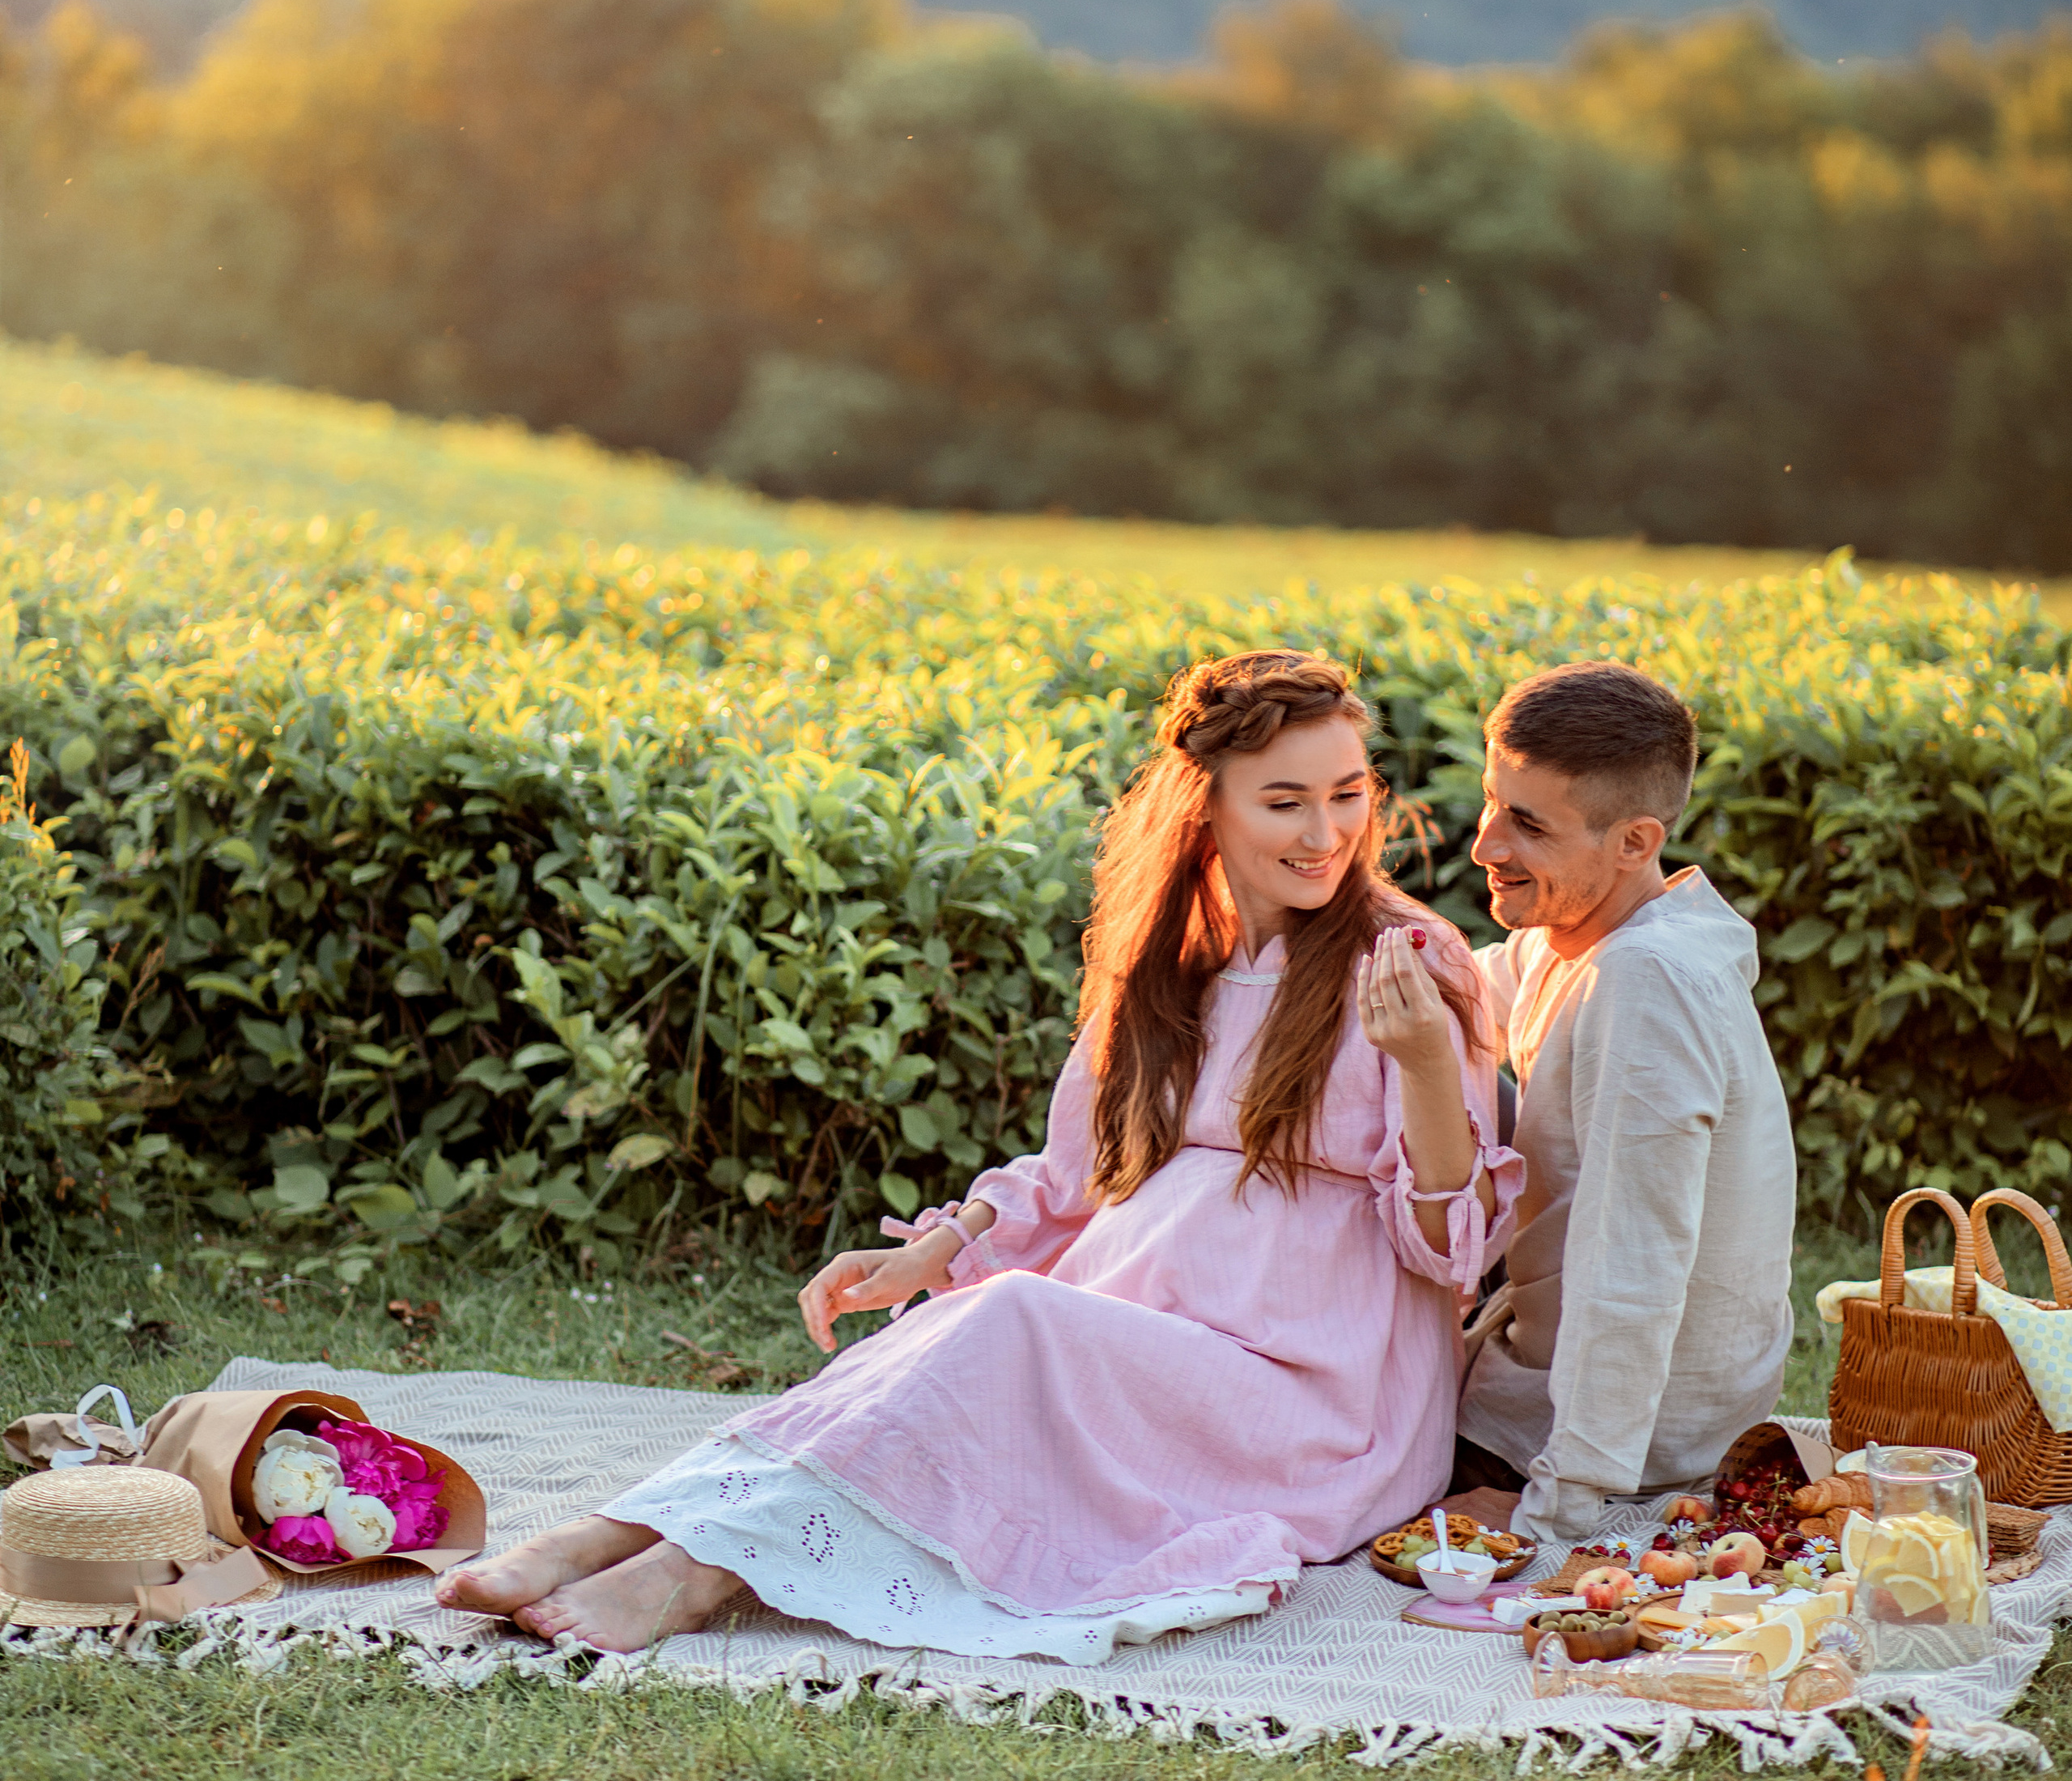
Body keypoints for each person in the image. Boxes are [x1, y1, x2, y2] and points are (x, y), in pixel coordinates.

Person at [439, 648, 1521, 1655]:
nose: (1326, 832)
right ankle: (618, 1531)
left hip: (1311, 1402)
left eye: (1348, 794)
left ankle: (693, 1575)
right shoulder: (1169, 968)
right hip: (1145, 1334)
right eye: (1285, 802)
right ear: (1211, 814)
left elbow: (1445, 1252)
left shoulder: (1410, 963)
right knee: (958, 1325)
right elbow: (1076, 1173)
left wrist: (1426, 1065)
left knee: (1009, 1321)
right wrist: (936, 1250)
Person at [1448, 661, 1797, 1541]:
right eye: (1492, 802)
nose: (1485, 845)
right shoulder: (1583, 937)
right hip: (1561, 1386)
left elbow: (1633, 1268)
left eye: (1527, 824)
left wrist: (1561, 1507)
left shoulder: (1647, 981)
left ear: (1635, 842)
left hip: (1621, 1443)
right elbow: (1451, 996)